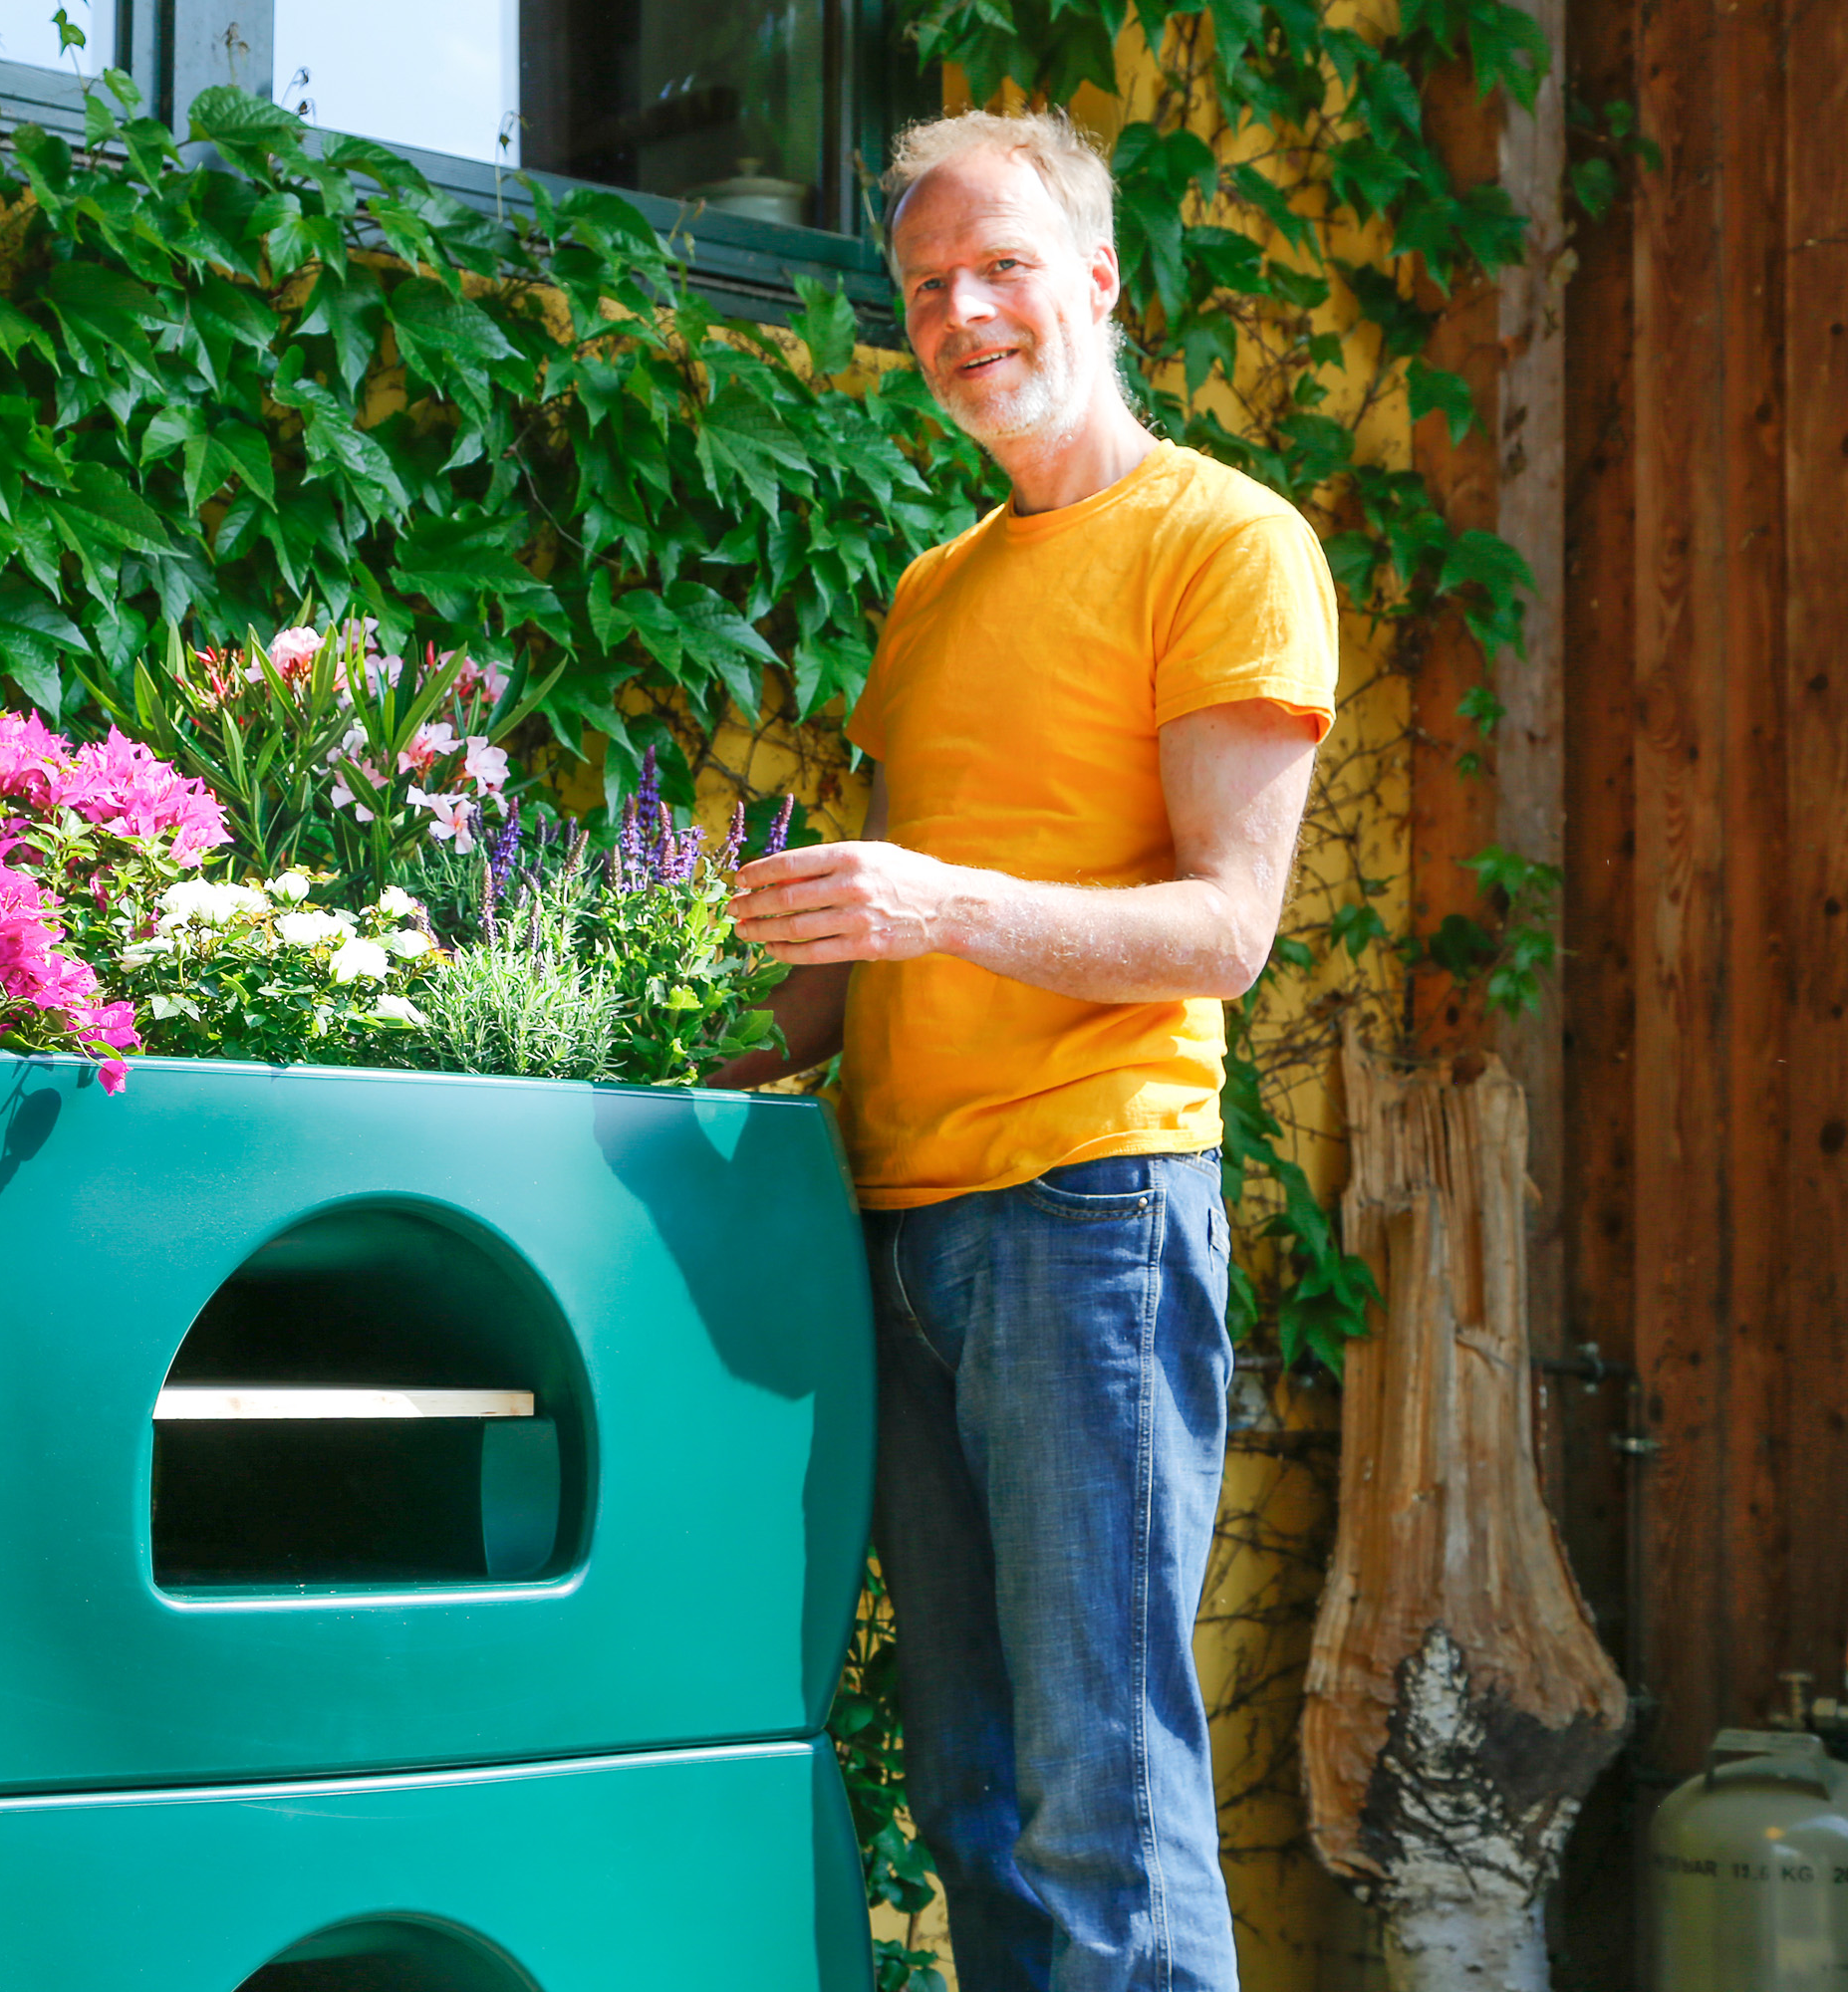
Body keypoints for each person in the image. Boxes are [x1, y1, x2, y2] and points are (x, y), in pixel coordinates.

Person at [716, 108, 1336, 1992]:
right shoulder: (933, 593)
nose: (963, 312)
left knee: (1102, 1802)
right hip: (901, 1229)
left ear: (1098, 279)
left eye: (999, 268)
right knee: (973, 1798)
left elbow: (1224, 931)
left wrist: (940, 904)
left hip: (1087, 1220)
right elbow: (855, 960)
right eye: (925, 289)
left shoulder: (1226, 540)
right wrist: (597, 1048)